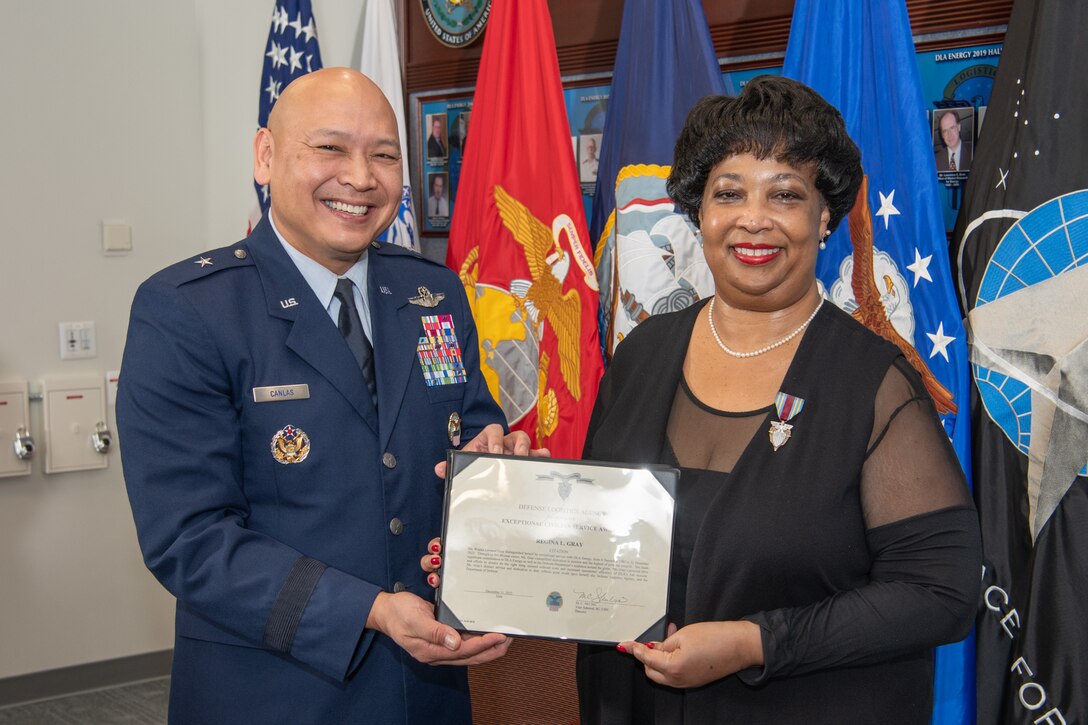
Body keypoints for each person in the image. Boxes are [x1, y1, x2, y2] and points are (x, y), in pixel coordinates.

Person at [116, 68, 527, 724]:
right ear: (266, 156)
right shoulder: (190, 311)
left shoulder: (434, 294)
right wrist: (369, 609)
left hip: (427, 686)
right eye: (331, 148)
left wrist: (499, 465)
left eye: (385, 155)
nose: (361, 177)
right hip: (272, 689)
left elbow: (471, 427)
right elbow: (189, 538)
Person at [571, 76, 982, 723]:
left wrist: (757, 641)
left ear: (824, 217)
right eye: (728, 192)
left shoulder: (874, 383)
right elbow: (596, 532)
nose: (752, 218)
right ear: (698, 211)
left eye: (785, 194)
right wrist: (499, 519)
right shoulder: (642, 353)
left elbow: (941, 589)